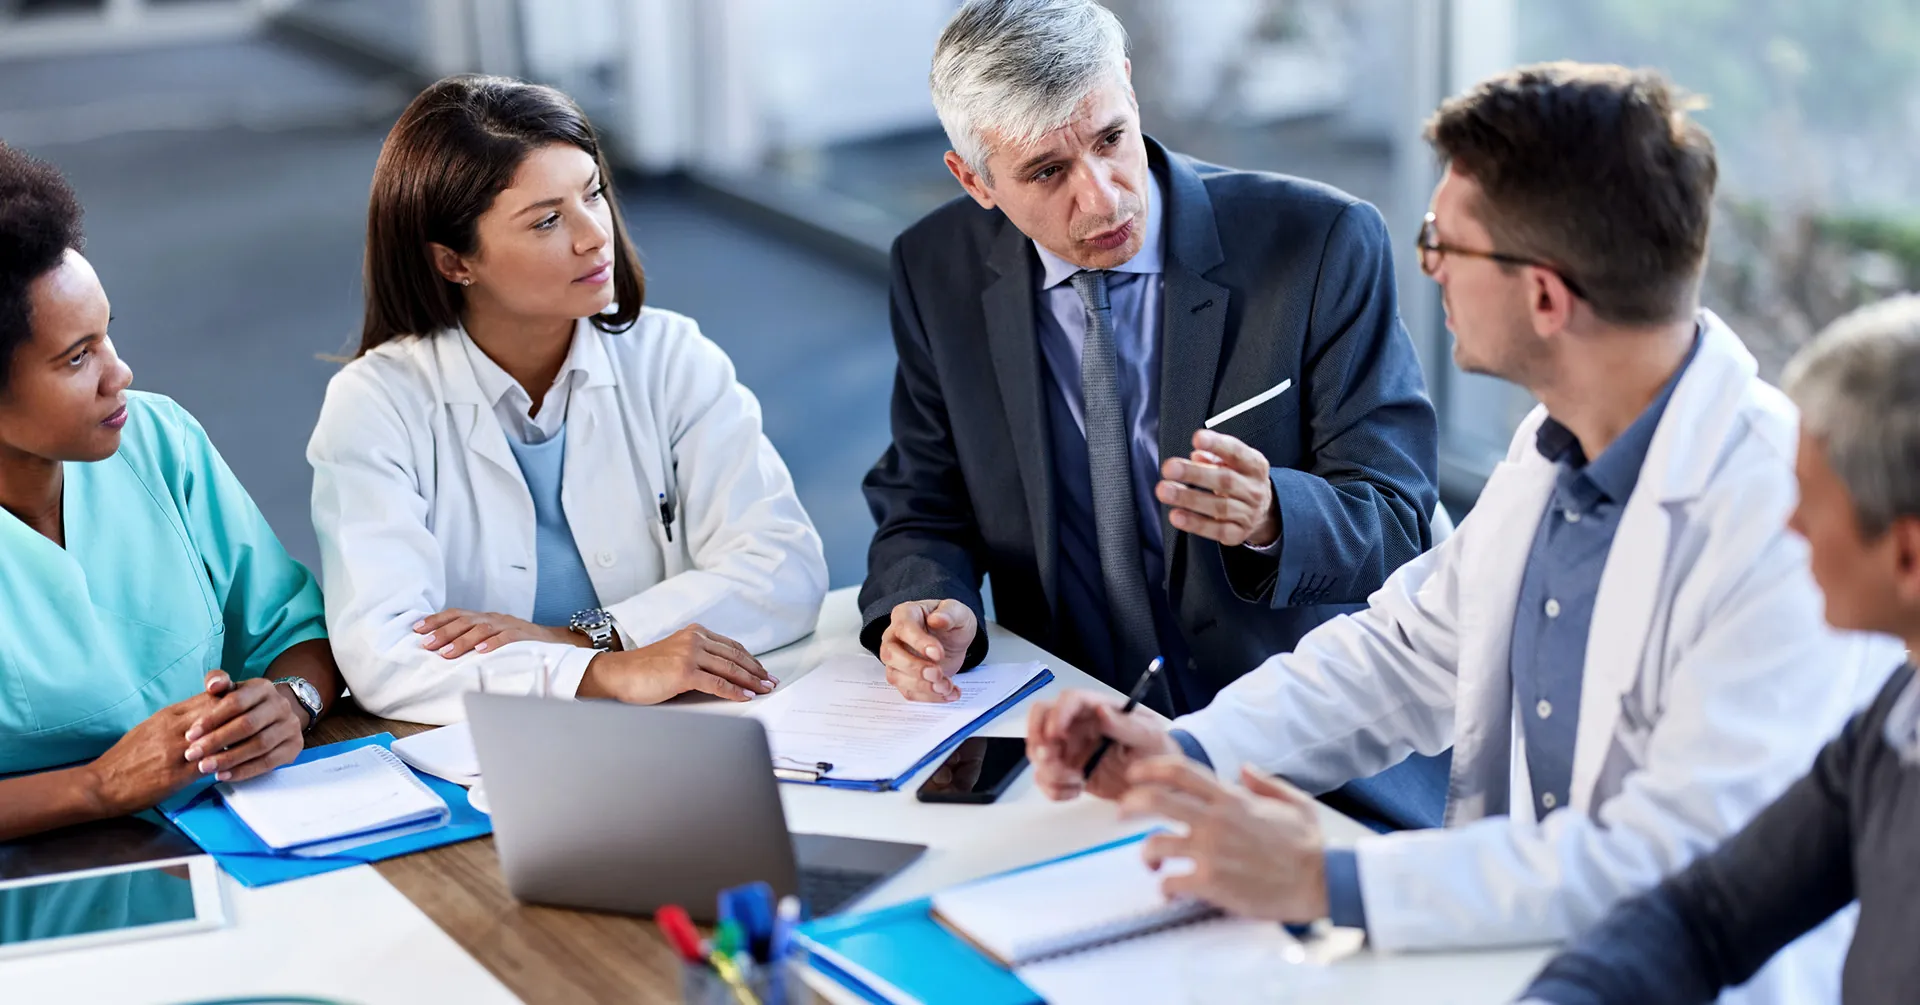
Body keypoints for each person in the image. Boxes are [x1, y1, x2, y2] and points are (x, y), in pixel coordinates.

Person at [1023, 62, 1902, 1005]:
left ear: (1545, 299)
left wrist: (1331, 879)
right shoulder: (1557, 441)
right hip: (1517, 962)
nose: (1427, 261)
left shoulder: (1782, 518)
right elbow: (1409, 652)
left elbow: (1676, 861)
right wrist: (1187, 752)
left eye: (1446, 240)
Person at [860, 0, 1445, 828]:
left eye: (1109, 139)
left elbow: (1398, 521)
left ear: (1129, 91)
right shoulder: (934, 268)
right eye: (1046, 172)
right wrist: (929, 600)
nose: (1101, 200)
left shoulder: (1318, 243)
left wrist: (1276, 515)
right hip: (1075, 736)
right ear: (974, 180)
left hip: (1296, 758)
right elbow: (924, 494)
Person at [308, 76, 828, 725]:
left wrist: (583, 639)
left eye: (594, 194)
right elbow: (385, 655)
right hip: (502, 754)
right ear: (453, 262)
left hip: (682, 723)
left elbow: (785, 568)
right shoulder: (375, 405)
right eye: (548, 219)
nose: (593, 236)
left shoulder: (672, 357)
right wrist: (606, 672)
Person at [1518, 295, 1920, 1005]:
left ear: (1908, 555)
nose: (1787, 523)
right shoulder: (1894, 721)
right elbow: (1707, 913)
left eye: (1809, 500)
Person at [0, 143, 340, 841]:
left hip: (235, 834)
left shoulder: (158, 440)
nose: (118, 373)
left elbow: (298, 629)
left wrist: (289, 700)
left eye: (106, 336)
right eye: (75, 357)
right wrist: (98, 785)